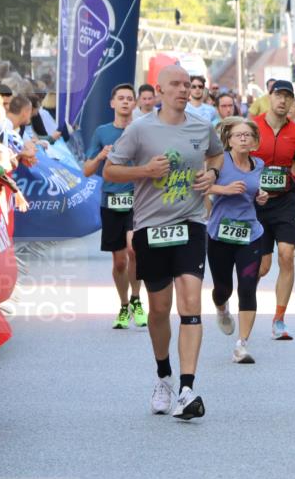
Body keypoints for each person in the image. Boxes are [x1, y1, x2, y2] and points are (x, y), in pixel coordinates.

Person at [103, 64, 224, 420]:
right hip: (150, 227)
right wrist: (144, 172)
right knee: (158, 310)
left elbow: (216, 153)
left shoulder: (202, 125)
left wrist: (213, 173)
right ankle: (164, 376)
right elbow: (111, 170)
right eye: (176, 84)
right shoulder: (140, 130)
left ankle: (188, 389)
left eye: (187, 85)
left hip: (190, 223)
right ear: (160, 90)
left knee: (190, 301)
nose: (183, 90)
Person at [250, 79, 295, 340]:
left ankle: (279, 319)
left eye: (288, 96)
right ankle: (245, 303)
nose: (283, 100)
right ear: (270, 96)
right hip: (257, 202)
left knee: (286, 255)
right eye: (279, 95)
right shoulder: (252, 126)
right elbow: (240, 160)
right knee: (262, 268)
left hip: (286, 200)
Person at [83, 83, 147, 330]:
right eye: (120, 98)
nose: (125, 102)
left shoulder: (141, 130)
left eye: (129, 98)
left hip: (137, 199)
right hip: (111, 201)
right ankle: (123, 305)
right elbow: (87, 171)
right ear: (112, 103)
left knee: (135, 250)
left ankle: (137, 299)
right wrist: (100, 156)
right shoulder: (102, 132)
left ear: (135, 103)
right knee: (119, 261)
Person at [206, 116, 270, 364]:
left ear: (254, 140)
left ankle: (242, 345)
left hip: (250, 233)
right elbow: (197, 185)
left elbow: (256, 191)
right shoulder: (219, 161)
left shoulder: (259, 164)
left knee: (247, 286)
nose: (243, 138)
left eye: (248, 135)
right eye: (238, 135)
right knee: (223, 288)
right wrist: (224, 189)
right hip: (220, 234)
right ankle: (221, 307)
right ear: (228, 140)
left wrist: (261, 197)